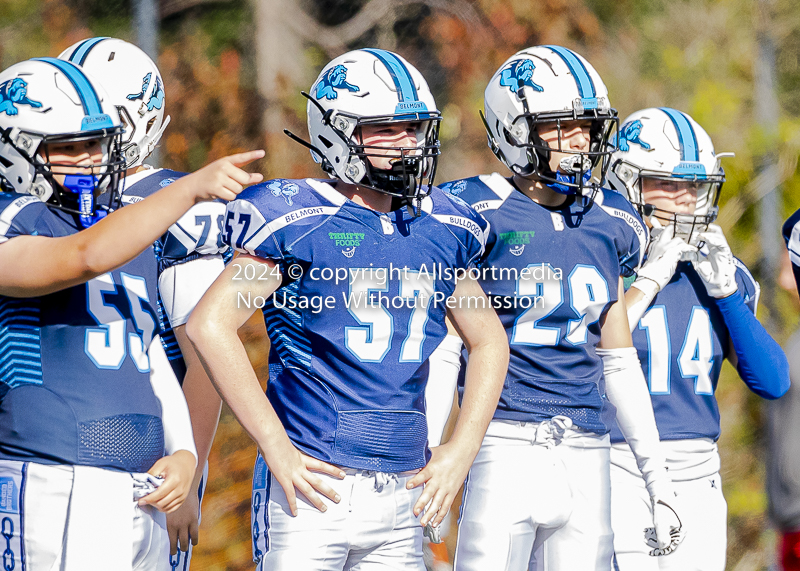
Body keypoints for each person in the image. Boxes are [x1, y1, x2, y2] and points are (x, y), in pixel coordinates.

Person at [186, 48, 509, 570]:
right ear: (338, 134)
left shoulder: (441, 225)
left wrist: (460, 450)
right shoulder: (300, 215)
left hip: (405, 486)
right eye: (387, 129)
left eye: (414, 127)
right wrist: (274, 445)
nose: (408, 142)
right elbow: (210, 324)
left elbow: (489, 338)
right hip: (313, 484)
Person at [0, 56, 262, 570]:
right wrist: (186, 189)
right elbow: (79, 257)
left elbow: (146, 352)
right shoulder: (14, 219)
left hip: (142, 484)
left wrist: (186, 451)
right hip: (53, 476)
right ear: (15, 150)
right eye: (67, 147)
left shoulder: (123, 229)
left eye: (95, 143)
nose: (88, 159)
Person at [435, 45, 679, 570]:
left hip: (587, 442)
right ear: (516, 129)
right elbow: (447, 348)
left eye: (587, 126)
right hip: (503, 438)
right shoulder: (472, 210)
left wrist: (655, 474)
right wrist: (437, 450)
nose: (580, 142)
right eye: (561, 127)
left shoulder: (611, 216)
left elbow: (617, 355)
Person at [59, 36, 232, 569]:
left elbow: (205, 351)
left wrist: (192, 466)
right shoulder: (49, 197)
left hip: (150, 452)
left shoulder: (179, 205)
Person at [607, 107, 789, 570]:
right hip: (615, 461)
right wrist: (646, 282)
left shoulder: (720, 272)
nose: (687, 198)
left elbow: (773, 381)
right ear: (626, 181)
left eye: (695, 184)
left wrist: (726, 293)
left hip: (699, 470)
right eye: (668, 183)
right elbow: (593, 355)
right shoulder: (602, 260)